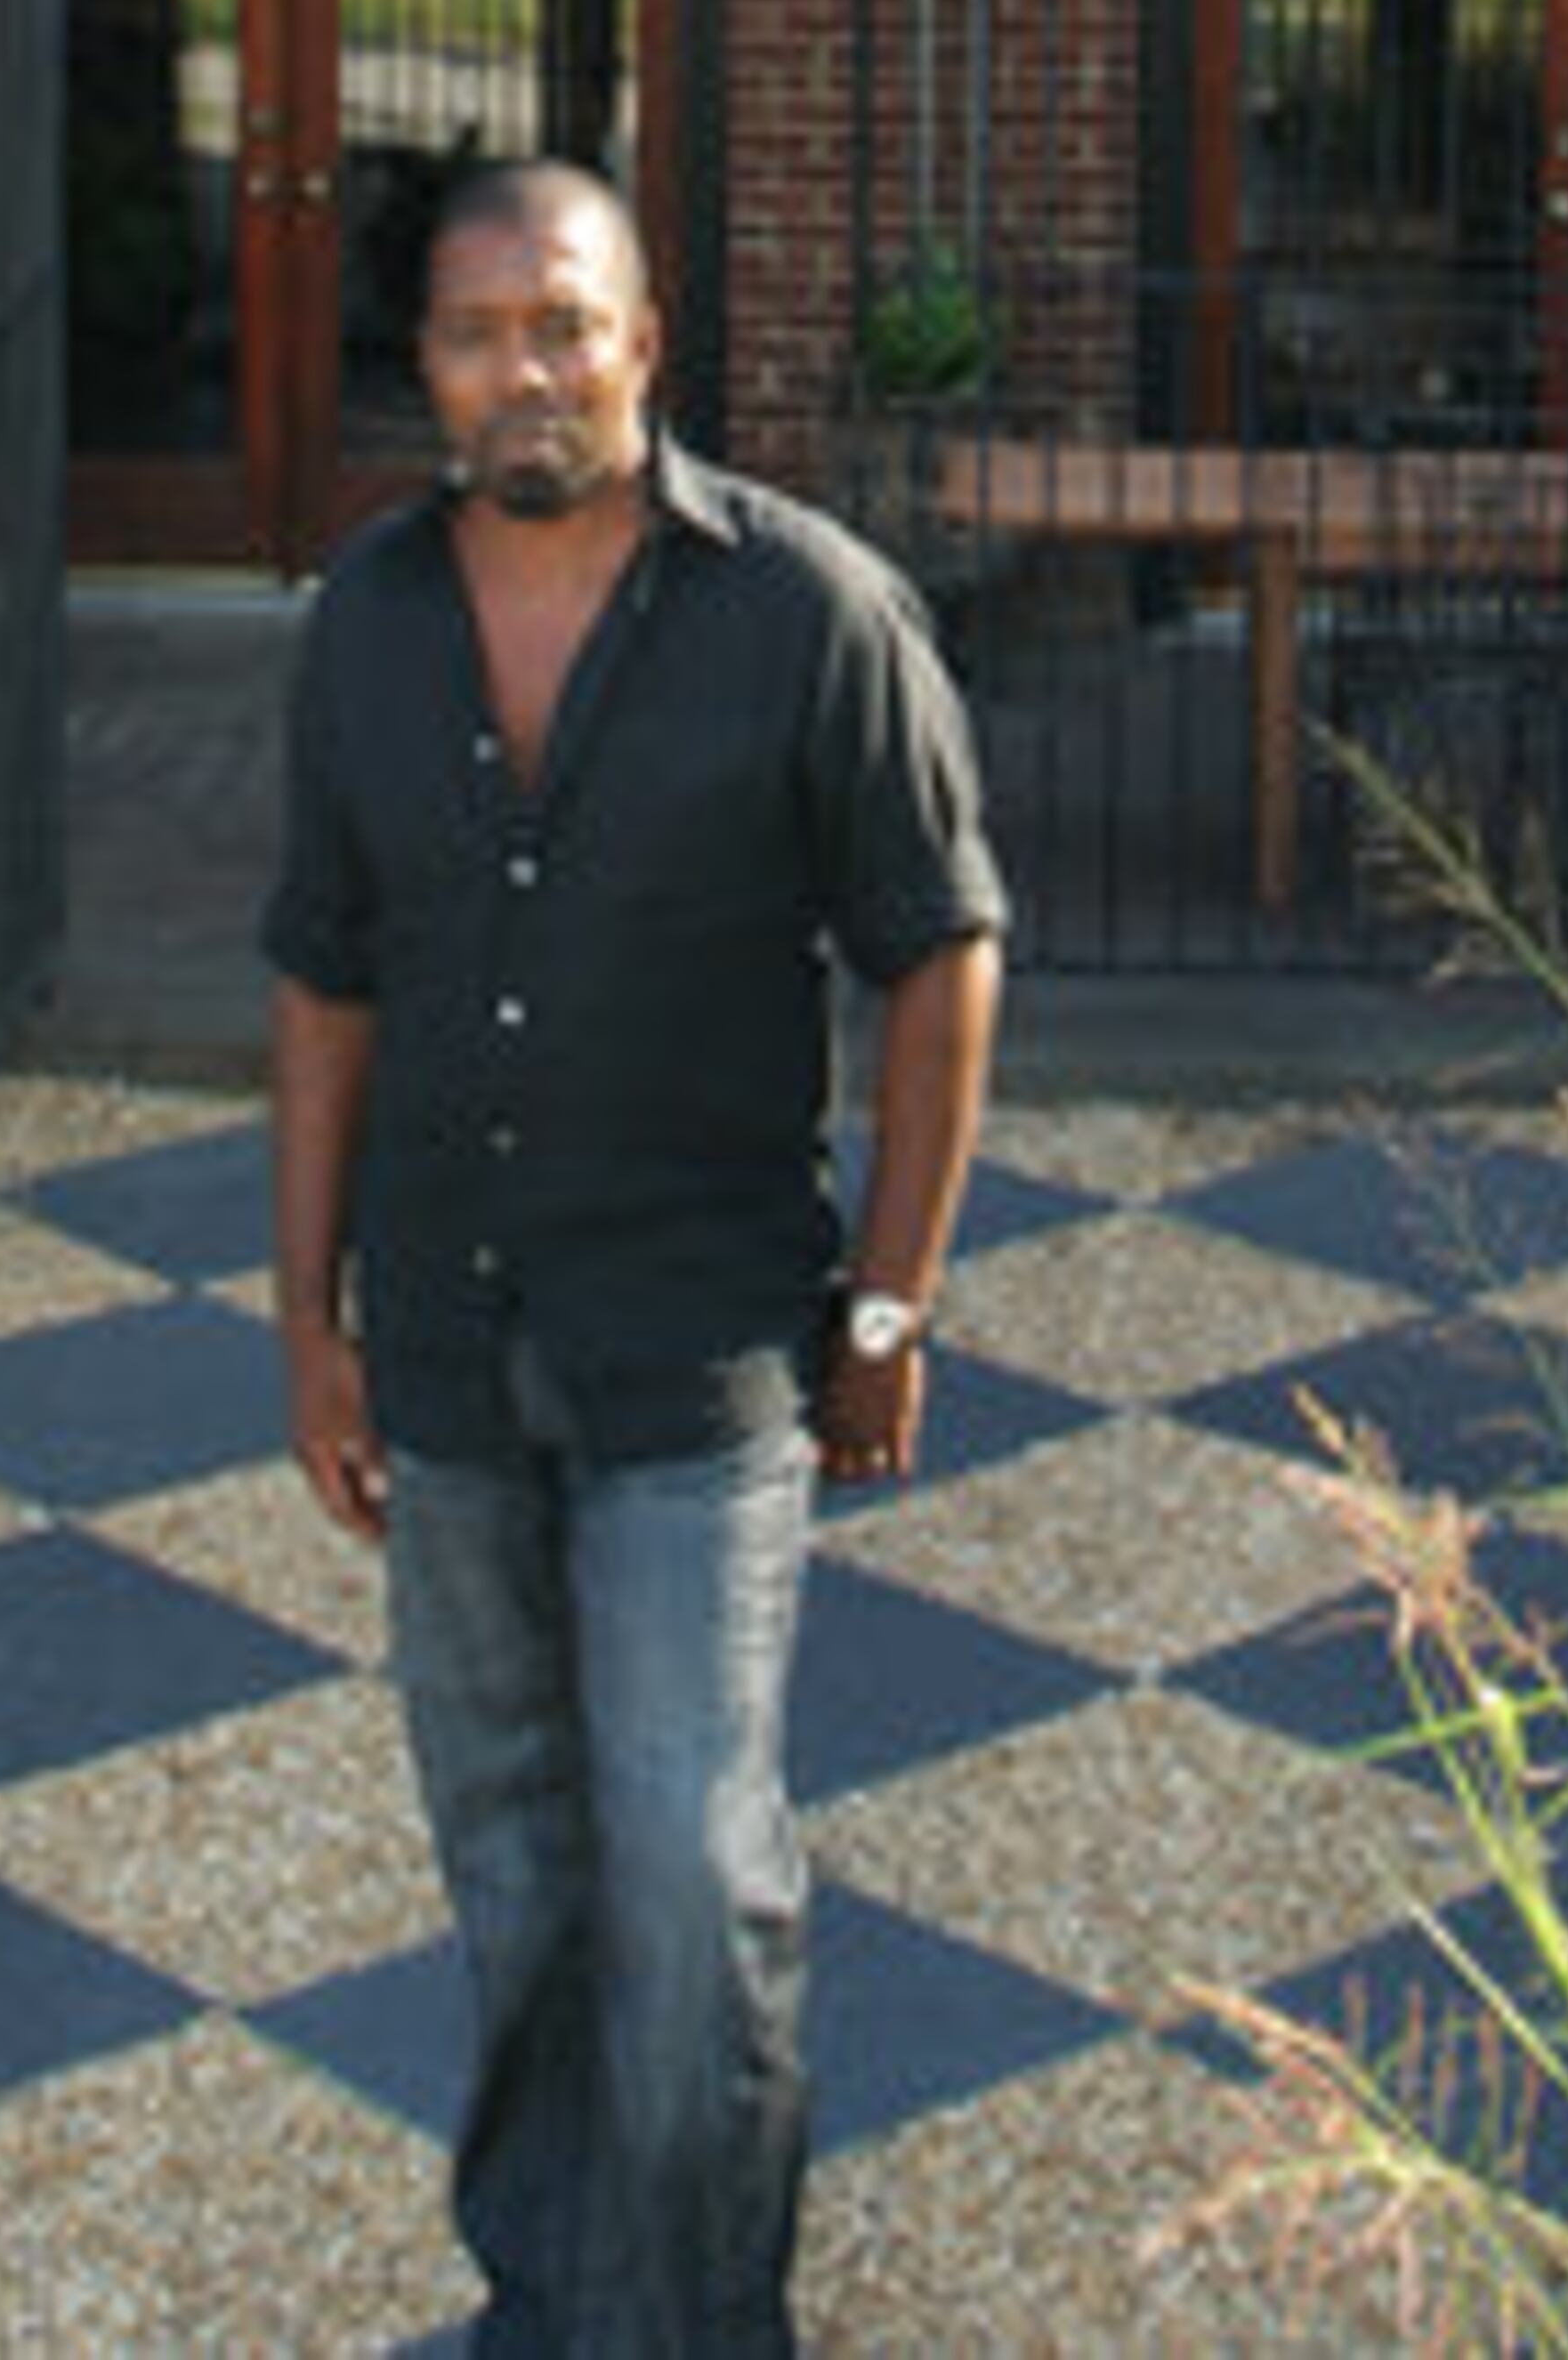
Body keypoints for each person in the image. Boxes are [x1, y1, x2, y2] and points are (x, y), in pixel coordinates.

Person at [265, 154, 1006, 2356]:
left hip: (701, 1359)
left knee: (696, 1880)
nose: (529, 370)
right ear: (428, 367)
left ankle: (700, 2325)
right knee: (519, 1875)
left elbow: (944, 955)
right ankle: (548, 2302)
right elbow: (325, 983)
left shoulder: (809, 614)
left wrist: (890, 1300)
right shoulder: (367, 626)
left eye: (567, 324)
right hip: (456, 1362)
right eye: (483, 333)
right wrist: (306, 1326)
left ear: (646, 342)